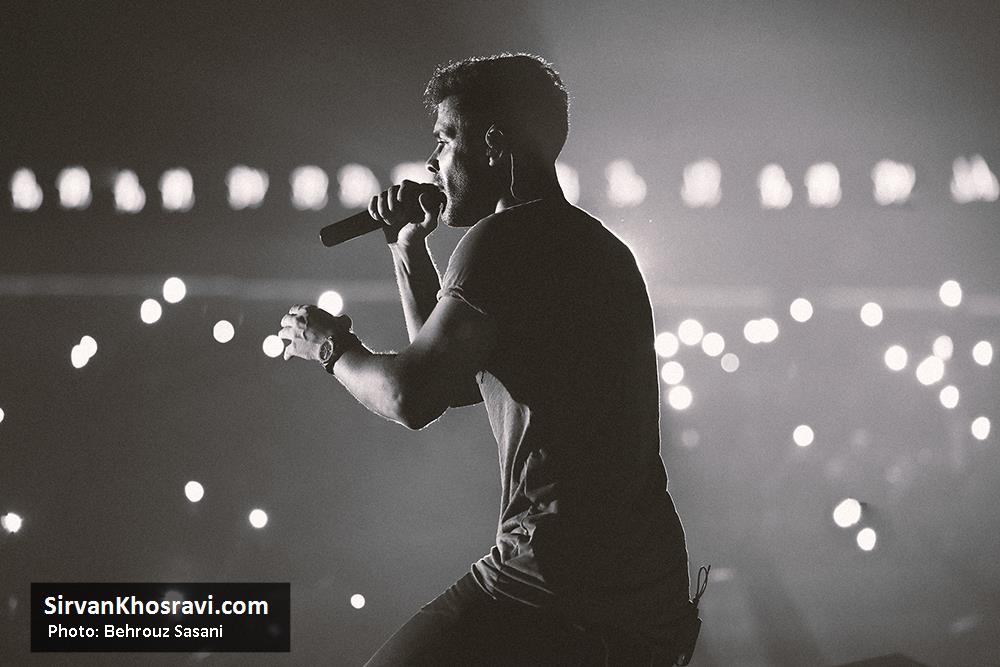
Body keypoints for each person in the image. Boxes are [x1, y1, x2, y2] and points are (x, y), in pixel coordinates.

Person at [278, 53, 704, 665]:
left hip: (551, 576)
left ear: (494, 146)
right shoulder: (599, 247)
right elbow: (454, 378)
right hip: (643, 588)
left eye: (445, 139)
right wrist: (407, 248)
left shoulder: (502, 242)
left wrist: (329, 346)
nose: (432, 163)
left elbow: (410, 397)